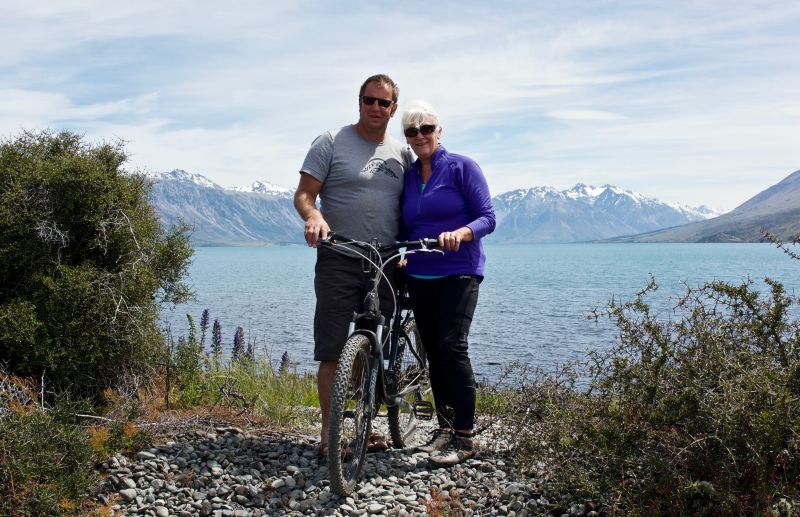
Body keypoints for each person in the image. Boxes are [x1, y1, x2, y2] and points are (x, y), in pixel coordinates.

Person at [293, 74, 413, 458]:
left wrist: (408, 245)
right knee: (332, 350)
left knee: (373, 346)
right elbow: (304, 195)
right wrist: (314, 218)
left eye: (384, 102)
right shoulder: (330, 142)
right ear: (358, 102)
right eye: (369, 100)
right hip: (338, 256)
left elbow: (409, 208)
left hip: (385, 262)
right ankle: (330, 436)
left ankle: (365, 426)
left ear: (394, 108)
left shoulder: (402, 154)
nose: (375, 108)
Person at [398, 100, 496, 466]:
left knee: (453, 346)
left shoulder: (461, 167)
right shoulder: (408, 175)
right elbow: (407, 224)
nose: (420, 135)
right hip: (419, 272)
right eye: (412, 130)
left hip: (459, 268)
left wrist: (461, 232)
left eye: (427, 128)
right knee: (434, 353)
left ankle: (466, 437)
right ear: (406, 137)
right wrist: (405, 250)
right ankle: (445, 427)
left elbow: (488, 217)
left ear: (439, 131)